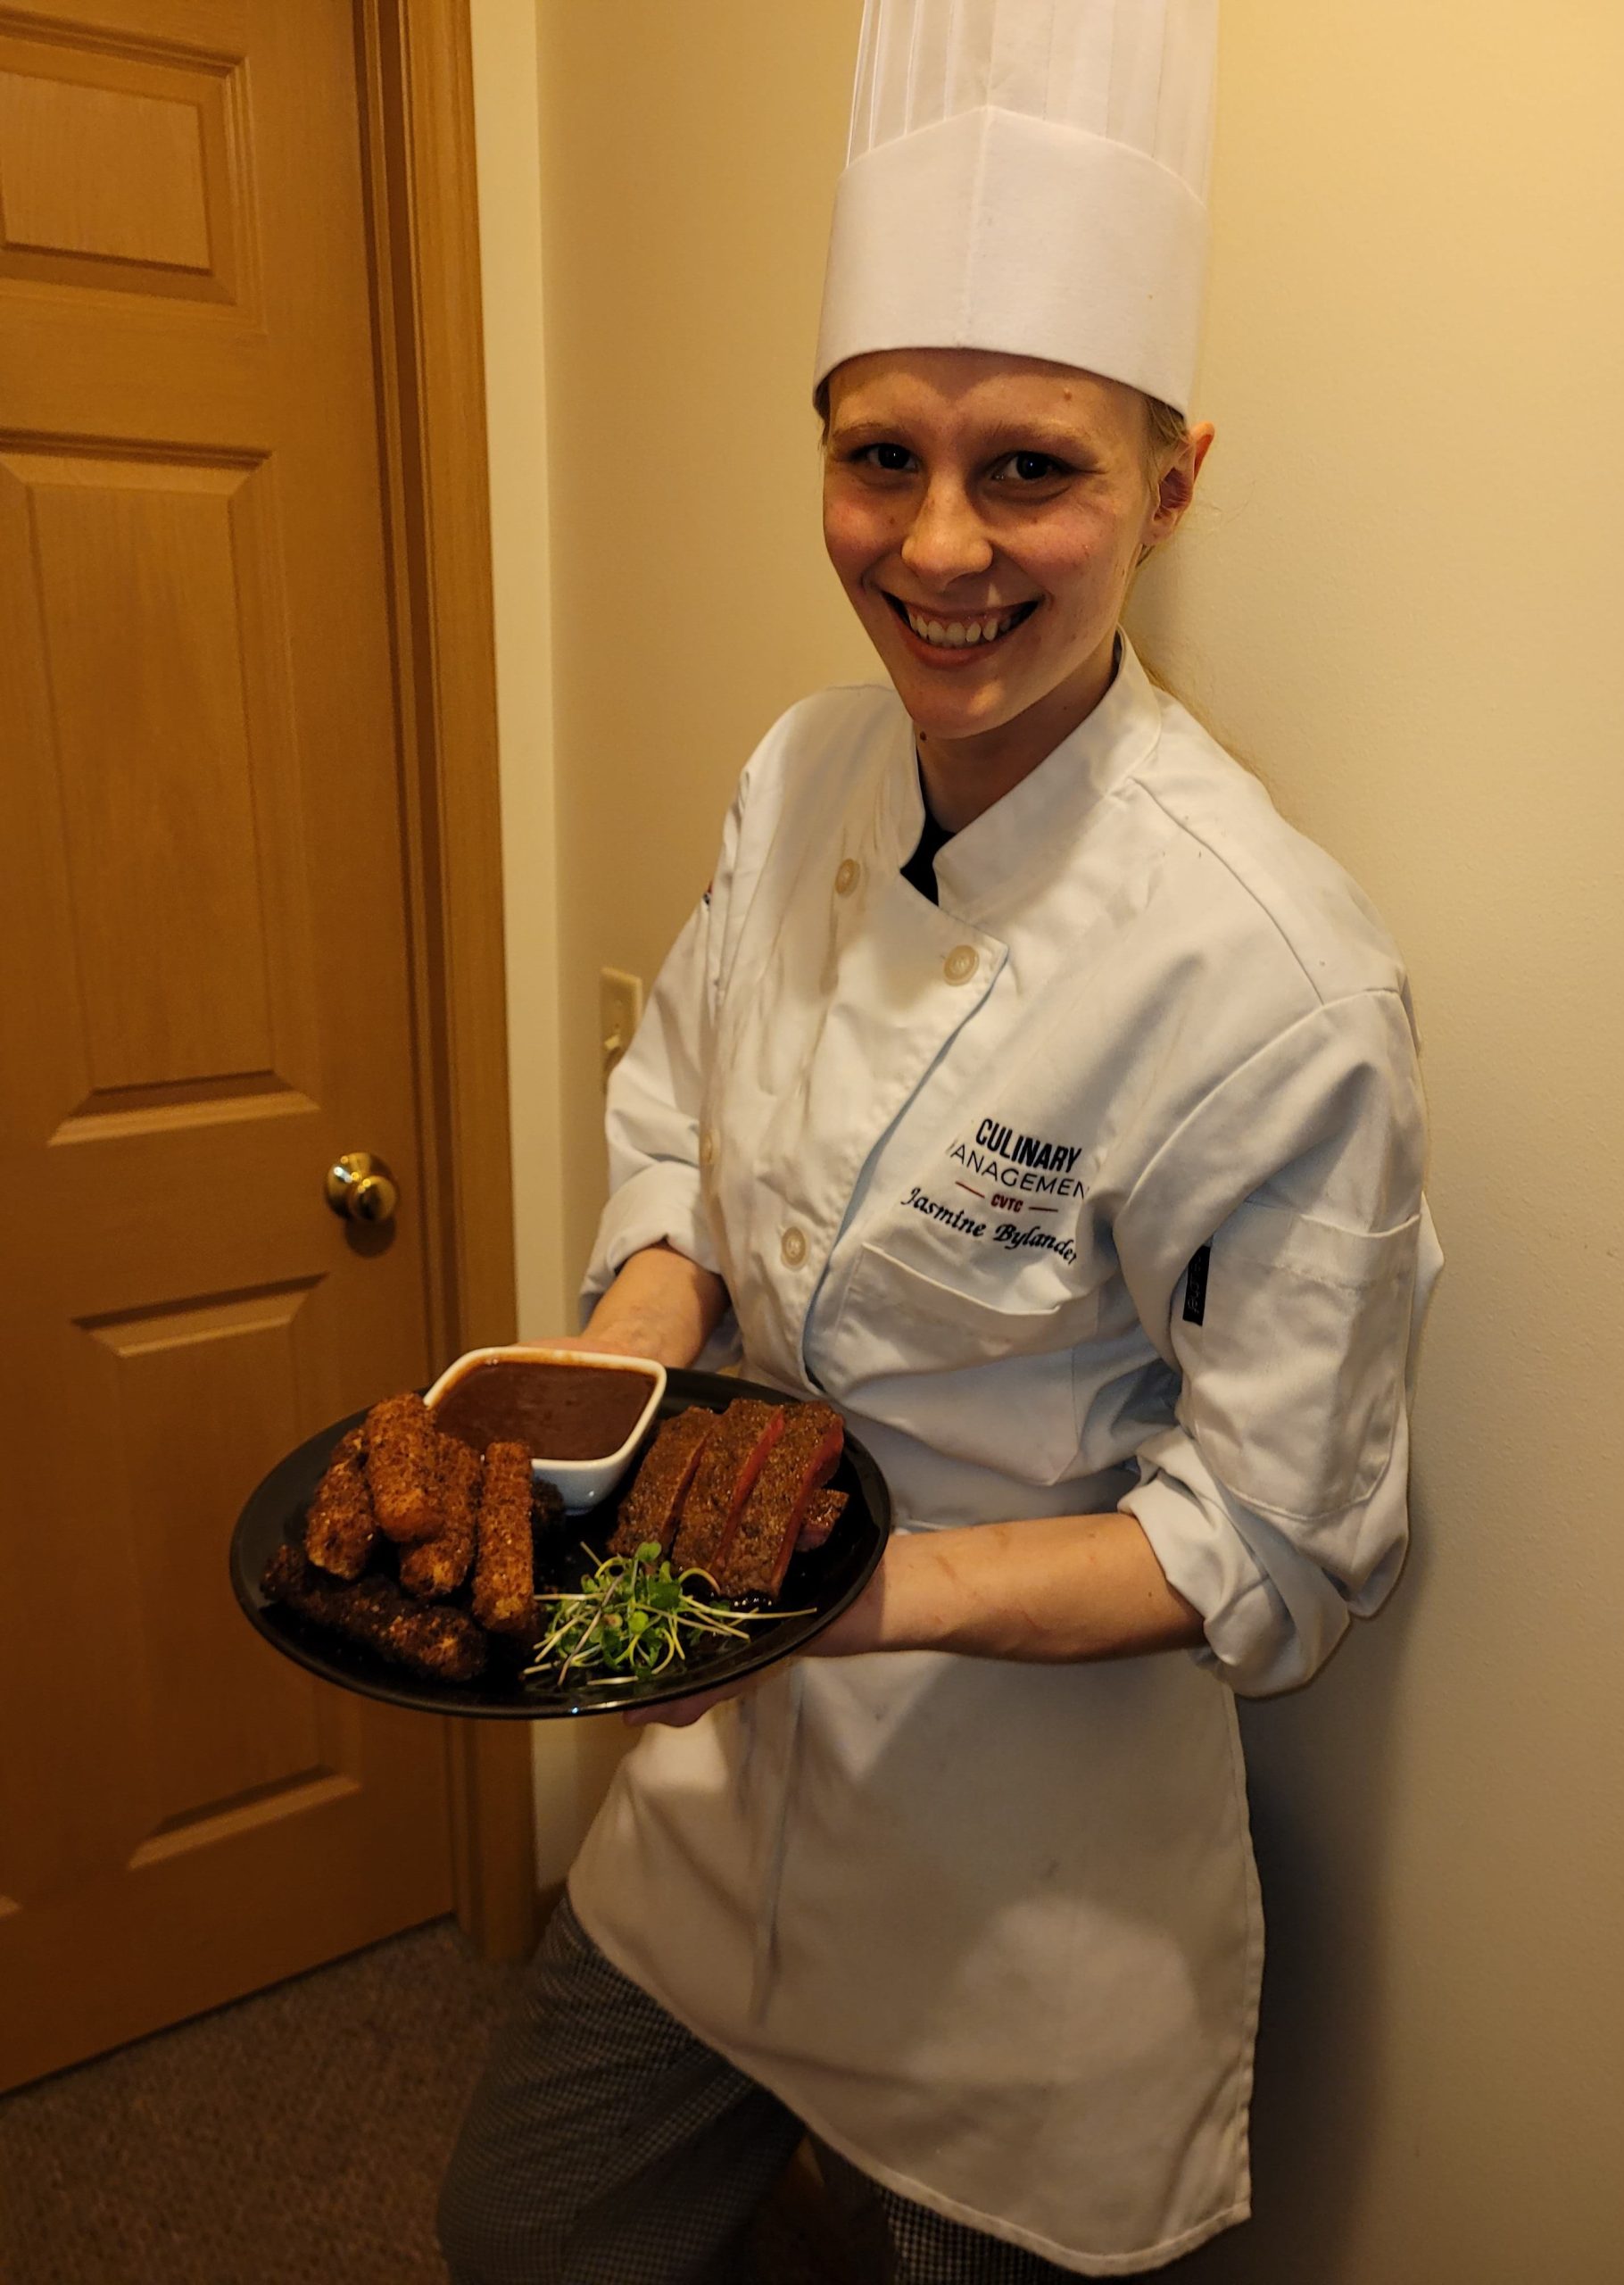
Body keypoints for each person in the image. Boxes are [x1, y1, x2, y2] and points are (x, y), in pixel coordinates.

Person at [440, 4, 1440, 2280]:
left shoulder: (1272, 979)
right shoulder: (799, 771)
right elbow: (683, 1117)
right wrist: (627, 1351)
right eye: (881, 456)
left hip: (1024, 1900)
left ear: (1176, 481)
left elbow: (1274, 1549)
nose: (941, 547)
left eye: (1034, 470)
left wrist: (842, 1596)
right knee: (523, 2228)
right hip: (710, 1794)